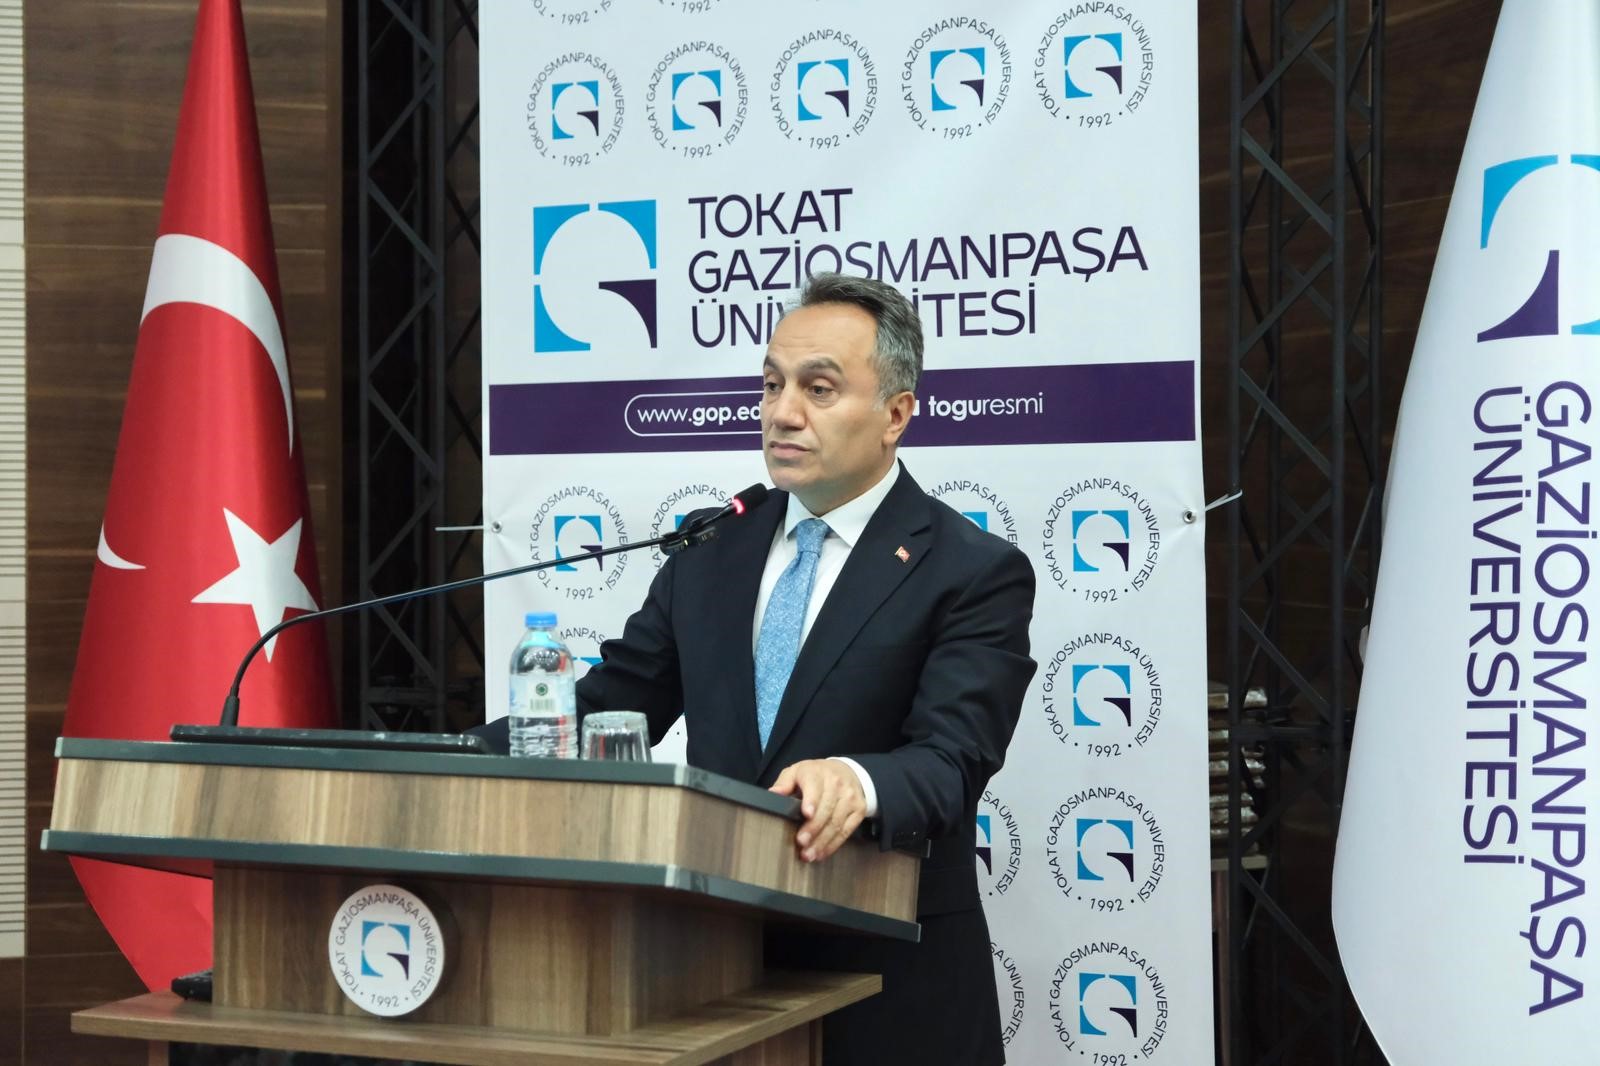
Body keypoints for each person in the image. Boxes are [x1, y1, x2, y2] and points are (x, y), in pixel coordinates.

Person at [479, 273, 1037, 1065]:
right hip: (715, 972)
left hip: (887, 977)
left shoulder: (970, 569)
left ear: (896, 414)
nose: (782, 412)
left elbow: (955, 757)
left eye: (819, 388)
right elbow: (616, 700)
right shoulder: (712, 547)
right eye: (772, 385)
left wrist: (858, 779)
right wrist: (461, 756)